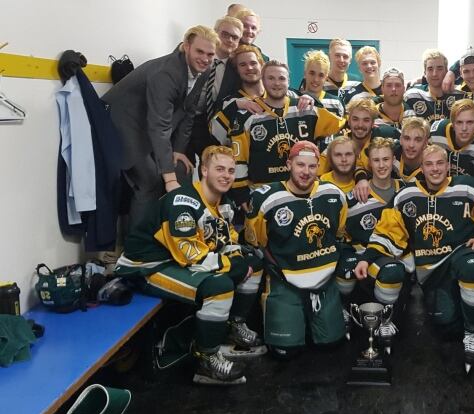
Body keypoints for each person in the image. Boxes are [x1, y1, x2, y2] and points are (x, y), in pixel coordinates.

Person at [115, 146, 265, 385]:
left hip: (175, 259)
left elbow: (227, 241)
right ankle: (206, 360)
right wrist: (232, 265)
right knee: (220, 285)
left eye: (230, 170)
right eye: (219, 169)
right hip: (147, 266)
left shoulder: (220, 202)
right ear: (204, 170)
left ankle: (233, 326)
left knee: (254, 263)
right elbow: (192, 257)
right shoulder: (182, 203)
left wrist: (238, 259)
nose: (226, 175)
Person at [355, 144, 474, 373]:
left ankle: (473, 333)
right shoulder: (406, 195)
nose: (435, 169)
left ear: (448, 166)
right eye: (429, 164)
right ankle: (467, 312)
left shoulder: (470, 187)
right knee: (446, 326)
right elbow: (387, 232)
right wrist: (366, 258)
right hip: (431, 272)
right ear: (421, 167)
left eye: (440, 163)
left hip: (462, 254)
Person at [103, 25, 218, 227]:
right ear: (186, 47)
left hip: (147, 124)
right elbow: (159, 126)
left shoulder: (205, 70)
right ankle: (135, 250)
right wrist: (169, 178)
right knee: (148, 181)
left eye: (210, 54)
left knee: (180, 167)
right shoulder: (166, 73)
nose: (205, 58)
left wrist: (178, 150)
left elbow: (189, 111)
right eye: (200, 51)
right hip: (120, 122)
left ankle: (162, 238)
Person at [244, 141, 348, 358]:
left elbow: (338, 233)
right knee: (286, 351)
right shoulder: (267, 198)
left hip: (324, 280)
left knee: (331, 345)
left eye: (312, 166)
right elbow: (257, 241)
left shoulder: (334, 194)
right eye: (300, 165)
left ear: (319, 167)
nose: (306, 172)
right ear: (289, 163)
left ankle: (322, 316)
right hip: (285, 279)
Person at [212, 60, 342, 202]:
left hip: (303, 191)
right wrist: (241, 194)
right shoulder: (248, 114)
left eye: (281, 78)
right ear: (262, 79)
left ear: (288, 81)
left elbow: (339, 128)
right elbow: (237, 156)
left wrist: (314, 101)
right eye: (271, 78)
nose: (277, 83)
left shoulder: (306, 108)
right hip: (263, 194)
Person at [335, 137, 406, 348]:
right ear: (369, 163)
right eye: (376, 160)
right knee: (344, 266)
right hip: (362, 256)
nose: (382, 165)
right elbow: (339, 234)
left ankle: (385, 318)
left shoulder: (407, 191)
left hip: (396, 257)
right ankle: (344, 308)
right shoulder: (354, 198)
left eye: (386, 159)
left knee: (393, 272)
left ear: (394, 160)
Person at [186, 16, 244, 173]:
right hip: (185, 121)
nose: (230, 40)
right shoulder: (195, 56)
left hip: (215, 126)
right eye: (225, 34)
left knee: (212, 169)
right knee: (183, 168)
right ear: (215, 33)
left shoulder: (237, 69)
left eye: (235, 37)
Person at [210, 44, 265, 207]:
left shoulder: (282, 94)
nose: (249, 68)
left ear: (261, 64)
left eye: (253, 63)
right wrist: (234, 107)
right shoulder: (229, 101)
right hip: (245, 185)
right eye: (243, 64)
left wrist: (309, 100)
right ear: (237, 70)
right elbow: (215, 135)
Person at [321, 98, 398, 202]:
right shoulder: (335, 142)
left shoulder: (386, 135)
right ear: (348, 120)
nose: (360, 125)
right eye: (355, 119)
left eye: (366, 120)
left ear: (373, 123)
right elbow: (317, 170)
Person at [404, 49, 458, 122]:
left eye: (439, 68)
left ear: (446, 71)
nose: (434, 74)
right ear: (424, 73)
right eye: (430, 69)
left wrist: (453, 72)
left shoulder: (458, 95)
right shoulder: (413, 95)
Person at [300, 50, 345, 117]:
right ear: (305, 73)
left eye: (321, 75)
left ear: (326, 78)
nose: (316, 79)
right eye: (312, 73)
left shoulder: (336, 103)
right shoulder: (295, 99)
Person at [393, 117, 430, 183]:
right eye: (407, 138)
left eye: (418, 140)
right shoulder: (391, 151)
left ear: (425, 143)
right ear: (401, 140)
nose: (411, 145)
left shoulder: (433, 162)